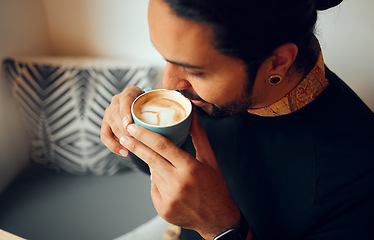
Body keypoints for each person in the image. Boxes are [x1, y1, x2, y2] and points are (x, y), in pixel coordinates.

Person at [101, 0, 374, 239]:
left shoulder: (359, 177)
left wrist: (222, 230)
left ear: (277, 62)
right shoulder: (204, 98)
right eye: (166, 58)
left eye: (196, 71)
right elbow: (158, 167)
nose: (169, 84)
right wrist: (132, 124)